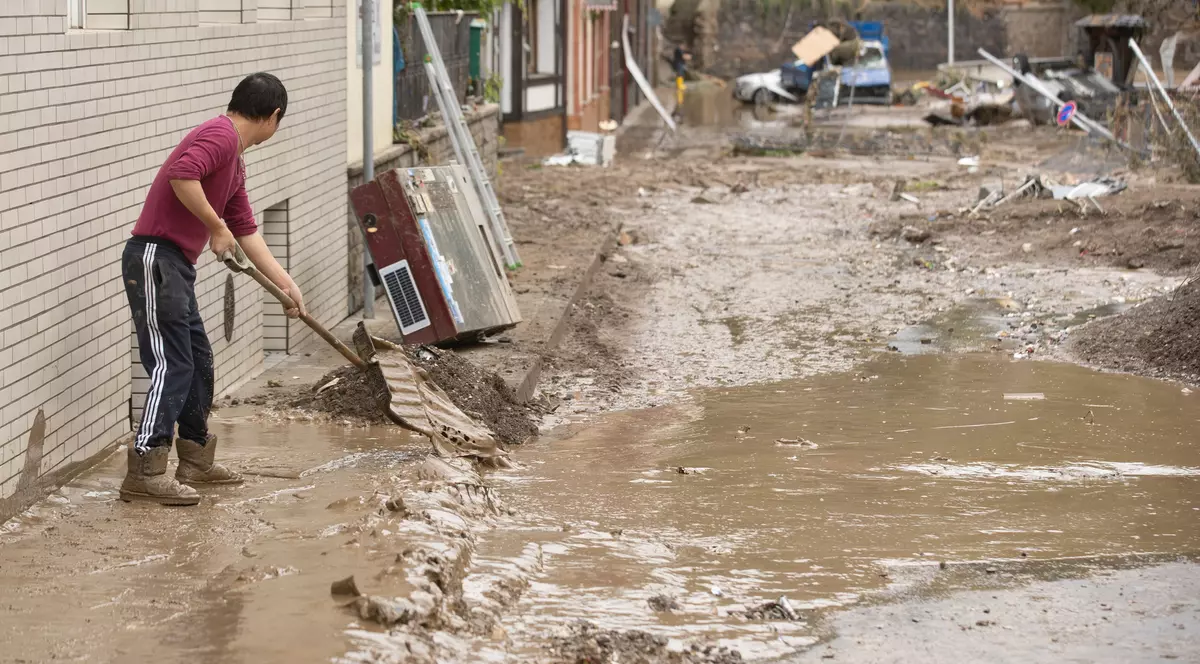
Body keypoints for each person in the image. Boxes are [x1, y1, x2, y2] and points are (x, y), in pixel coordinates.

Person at [120, 73, 306, 506]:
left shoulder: (234, 162)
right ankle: (145, 469)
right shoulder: (220, 135)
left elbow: (246, 231)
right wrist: (215, 227)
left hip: (176, 267)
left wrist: (286, 286)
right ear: (273, 116)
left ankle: (196, 458)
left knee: (198, 360)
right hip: (153, 257)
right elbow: (182, 176)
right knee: (173, 364)